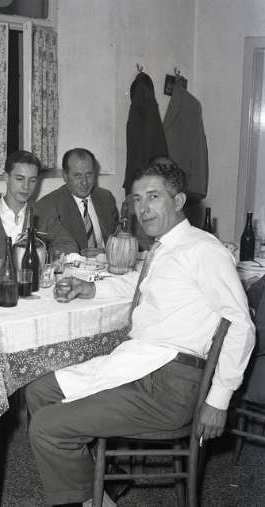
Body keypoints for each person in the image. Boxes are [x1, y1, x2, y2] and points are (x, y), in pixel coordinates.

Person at [25, 160, 255, 507]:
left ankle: (86, 499)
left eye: (153, 196)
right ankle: (94, 487)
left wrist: (218, 400)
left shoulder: (204, 250)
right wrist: (91, 288)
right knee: (39, 391)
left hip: (171, 387)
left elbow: (241, 324)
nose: (142, 208)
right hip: (143, 366)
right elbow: (141, 284)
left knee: (46, 426)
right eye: (136, 198)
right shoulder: (166, 247)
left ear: (178, 201)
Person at [0, 150, 78, 274]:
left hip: (32, 283)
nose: (26, 187)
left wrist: (41, 260)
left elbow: (69, 245)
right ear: (6, 177)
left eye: (32, 180)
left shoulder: (44, 212)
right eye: (20, 179)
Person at [36, 148, 119, 254]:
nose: (84, 182)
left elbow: (117, 238)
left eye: (89, 174)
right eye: (77, 176)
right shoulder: (49, 205)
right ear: (65, 176)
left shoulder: (106, 197)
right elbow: (46, 252)